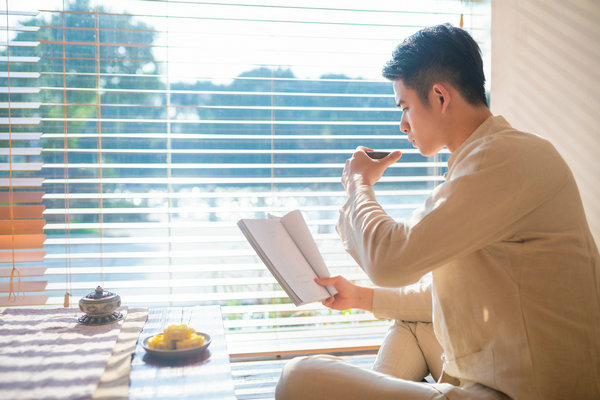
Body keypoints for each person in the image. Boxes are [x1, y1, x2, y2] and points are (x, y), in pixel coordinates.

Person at [275, 23, 600, 400]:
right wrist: (360, 297)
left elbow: (391, 261)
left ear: (440, 97)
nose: (403, 125)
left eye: (406, 107)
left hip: (524, 392)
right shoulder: (483, 159)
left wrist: (358, 184)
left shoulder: (504, 160)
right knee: (411, 326)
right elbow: (443, 296)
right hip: (496, 372)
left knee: (297, 377)